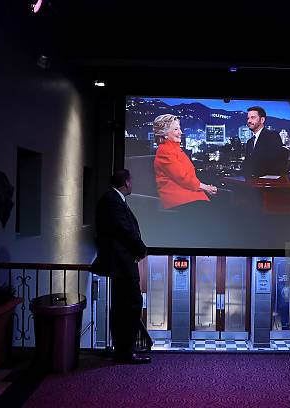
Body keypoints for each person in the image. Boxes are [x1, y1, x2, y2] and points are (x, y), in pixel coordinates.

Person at [92, 169, 150, 364]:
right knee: (130, 304)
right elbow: (125, 230)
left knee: (124, 306)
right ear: (126, 182)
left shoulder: (112, 200)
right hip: (121, 263)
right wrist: (141, 249)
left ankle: (124, 350)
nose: (132, 185)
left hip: (121, 263)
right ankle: (125, 352)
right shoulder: (112, 201)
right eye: (131, 181)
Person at [153, 114, 217, 211]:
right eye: (176, 129)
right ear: (164, 133)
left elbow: (189, 176)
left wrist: (205, 187)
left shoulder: (176, 149)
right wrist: (206, 187)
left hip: (190, 196)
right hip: (179, 199)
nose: (180, 132)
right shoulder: (164, 151)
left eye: (180, 129)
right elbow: (182, 177)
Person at [243, 106, 287, 177]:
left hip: (268, 183)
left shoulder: (272, 136)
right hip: (251, 183)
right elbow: (247, 164)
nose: (249, 121)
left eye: (253, 117)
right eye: (248, 118)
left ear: (262, 120)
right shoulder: (249, 142)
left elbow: (276, 163)